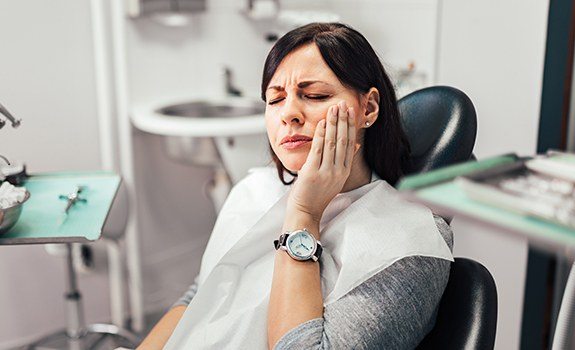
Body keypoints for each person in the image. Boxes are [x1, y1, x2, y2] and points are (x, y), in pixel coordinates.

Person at [138, 22, 453, 350]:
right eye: (274, 100)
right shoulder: (253, 191)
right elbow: (203, 295)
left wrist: (304, 214)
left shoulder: (410, 243)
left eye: (315, 95)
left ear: (368, 108)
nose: (288, 113)